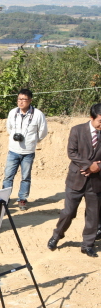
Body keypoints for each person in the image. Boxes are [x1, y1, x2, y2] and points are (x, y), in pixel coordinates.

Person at [48, 103, 101, 257]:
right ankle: (56, 236)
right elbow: (72, 152)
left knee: (93, 215)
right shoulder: (77, 130)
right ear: (92, 118)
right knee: (68, 212)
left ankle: (88, 244)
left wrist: (97, 166)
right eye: (100, 121)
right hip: (76, 180)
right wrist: (88, 165)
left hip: (96, 181)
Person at [2, 89, 48, 210]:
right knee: (8, 176)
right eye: (19, 99)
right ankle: (4, 199)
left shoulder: (38, 114)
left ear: (30, 100)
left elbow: (43, 132)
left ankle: (22, 199)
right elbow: (9, 128)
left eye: (24, 99)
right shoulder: (13, 112)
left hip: (28, 152)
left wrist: (33, 141)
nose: (21, 102)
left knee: (25, 177)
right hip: (13, 150)